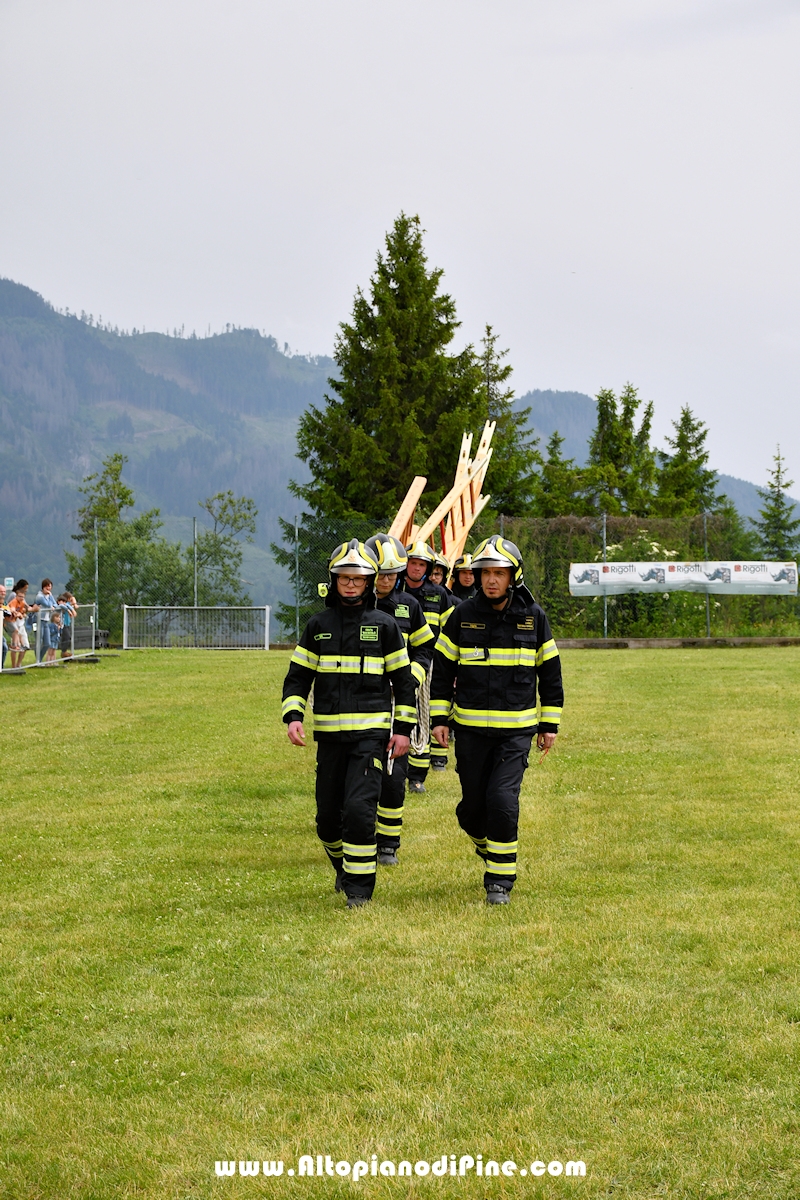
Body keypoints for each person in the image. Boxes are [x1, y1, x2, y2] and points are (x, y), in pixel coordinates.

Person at [281, 539, 417, 908]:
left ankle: (359, 891)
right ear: (334, 580)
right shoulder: (318, 626)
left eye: (358, 579)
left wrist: (402, 731)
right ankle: (344, 868)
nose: (351, 585)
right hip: (330, 739)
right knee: (327, 819)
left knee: (358, 810)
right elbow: (297, 678)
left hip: (370, 739)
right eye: (344, 578)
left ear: (370, 582)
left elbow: (404, 683)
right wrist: (293, 716)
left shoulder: (386, 626)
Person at [430, 534, 564, 906]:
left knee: (503, 801)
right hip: (470, 733)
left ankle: (499, 881)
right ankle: (487, 846)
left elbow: (550, 675)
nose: (491, 580)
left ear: (513, 576)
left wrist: (549, 724)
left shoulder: (533, 619)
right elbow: (441, 672)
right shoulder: (461, 617)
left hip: (515, 734)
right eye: (485, 572)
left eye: (499, 573)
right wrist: (440, 718)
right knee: (472, 810)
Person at [365, 533, 435, 866]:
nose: (385, 581)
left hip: (399, 702)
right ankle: (360, 835)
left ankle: (389, 843)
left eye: (391, 574)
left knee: (394, 777)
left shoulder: (409, 607)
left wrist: (413, 678)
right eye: (380, 574)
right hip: (361, 704)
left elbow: (424, 648)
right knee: (362, 773)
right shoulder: (353, 606)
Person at [402, 541, 454, 789]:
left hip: (430, 664)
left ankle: (417, 778)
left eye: (421, 564)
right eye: (413, 562)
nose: (416, 568)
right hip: (399, 663)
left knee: (425, 717)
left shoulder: (439, 594)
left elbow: (452, 631)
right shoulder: (395, 592)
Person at [8, 580, 36, 669]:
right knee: (15, 645)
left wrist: (27, 610)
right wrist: (17, 613)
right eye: (25, 588)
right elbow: (11, 607)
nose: (26, 590)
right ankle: (13, 666)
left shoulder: (22, 598)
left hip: (21, 623)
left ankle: (18, 664)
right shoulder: (13, 596)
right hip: (14, 623)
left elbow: (25, 607)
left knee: (25, 645)